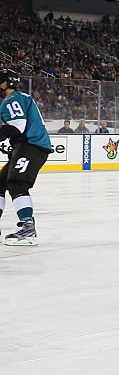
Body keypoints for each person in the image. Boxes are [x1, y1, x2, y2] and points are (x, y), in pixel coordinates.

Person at [0, 70, 52, 246]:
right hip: (29, 145)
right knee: (1, 182)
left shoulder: (11, 100)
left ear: (5, 84)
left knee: (17, 183)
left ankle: (28, 228)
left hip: (31, 146)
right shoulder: (21, 97)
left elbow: (17, 127)